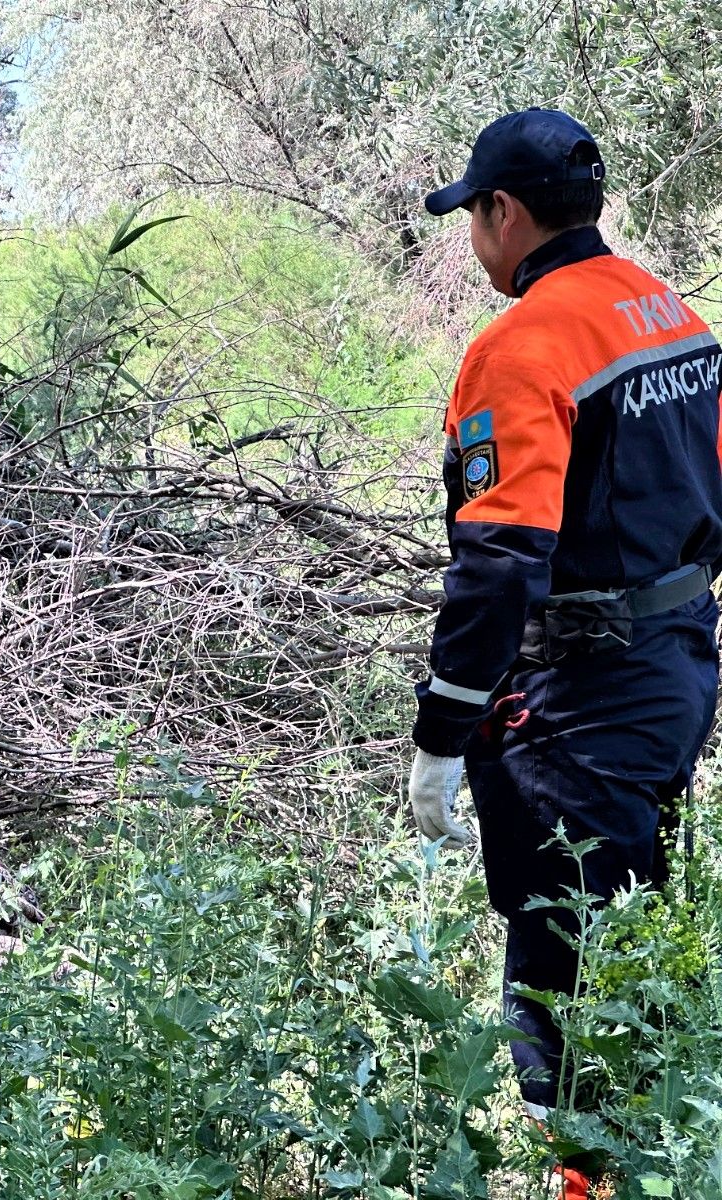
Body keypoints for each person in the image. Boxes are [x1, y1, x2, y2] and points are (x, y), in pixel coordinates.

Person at [409, 108, 722, 1199]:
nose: (473, 238)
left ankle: (587, 1179)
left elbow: (498, 562)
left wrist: (441, 735)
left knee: (559, 960)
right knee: (631, 927)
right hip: (677, 670)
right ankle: (653, 1152)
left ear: (504, 211)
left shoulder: (521, 344)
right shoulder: (666, 310)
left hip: (582, 700)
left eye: (473, 215)